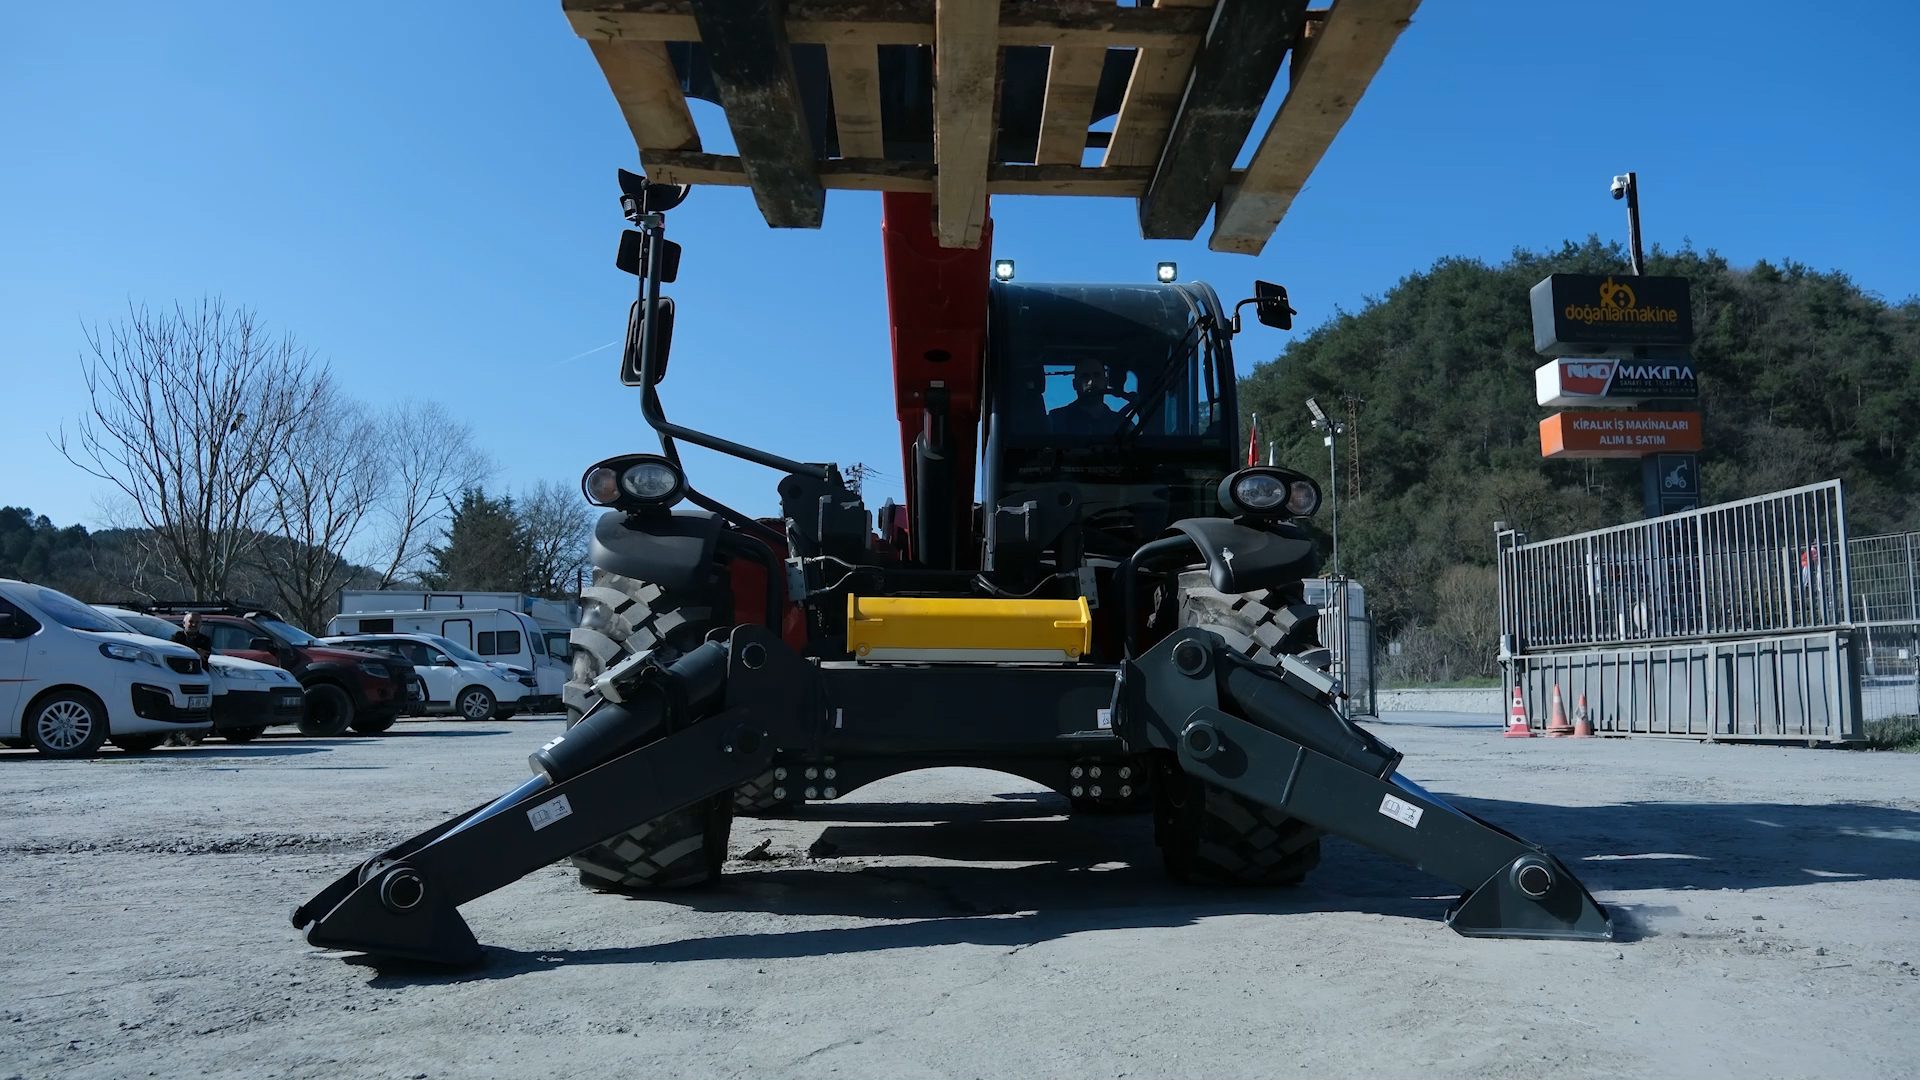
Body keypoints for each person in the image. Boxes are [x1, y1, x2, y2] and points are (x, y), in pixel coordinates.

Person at [1048, 358, 1125, 435]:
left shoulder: (1122, 423)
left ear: (1106, 382)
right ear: (1075, 384)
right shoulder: (1055, 420)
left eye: (1097, 375)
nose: (1091, 382)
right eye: (1085, 376)